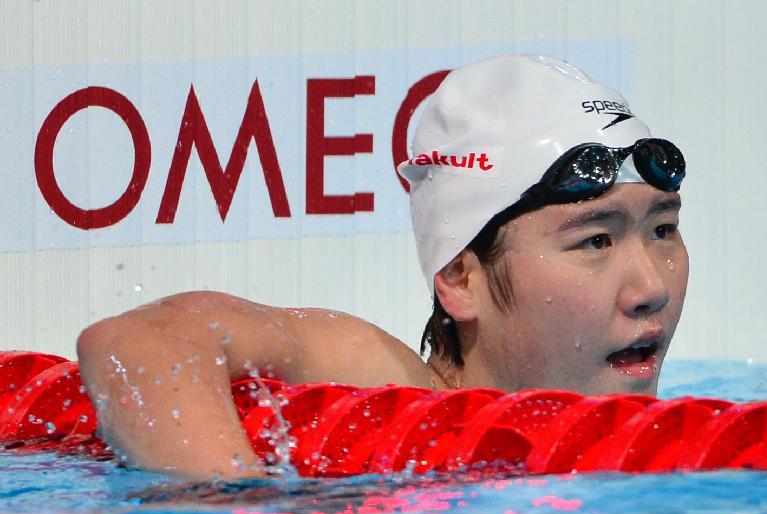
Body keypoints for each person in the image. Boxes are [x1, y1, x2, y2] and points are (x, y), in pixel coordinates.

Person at [77, 54, 689, 479]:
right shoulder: (389, 387)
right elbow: (138, 342)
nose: (652, 288)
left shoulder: (673, 437)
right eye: (595, 242)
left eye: (663, 230)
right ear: (460, 278)